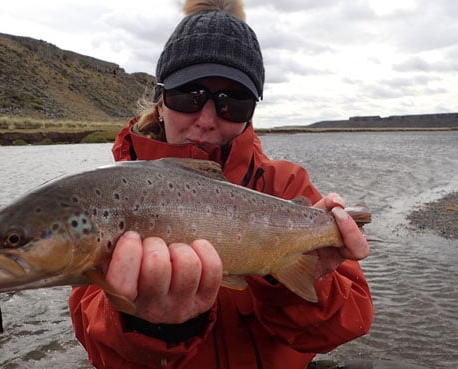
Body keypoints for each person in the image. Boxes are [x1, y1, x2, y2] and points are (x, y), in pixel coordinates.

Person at [69, 0, 373, 368]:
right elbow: (98, 346)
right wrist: (148, 324)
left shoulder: (285, 183)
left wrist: (299, 274)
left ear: (252, 114)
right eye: (188, 95)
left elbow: (350, 323)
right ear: (161, 102)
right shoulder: (103, 198)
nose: (207, 120)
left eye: (234, 103)